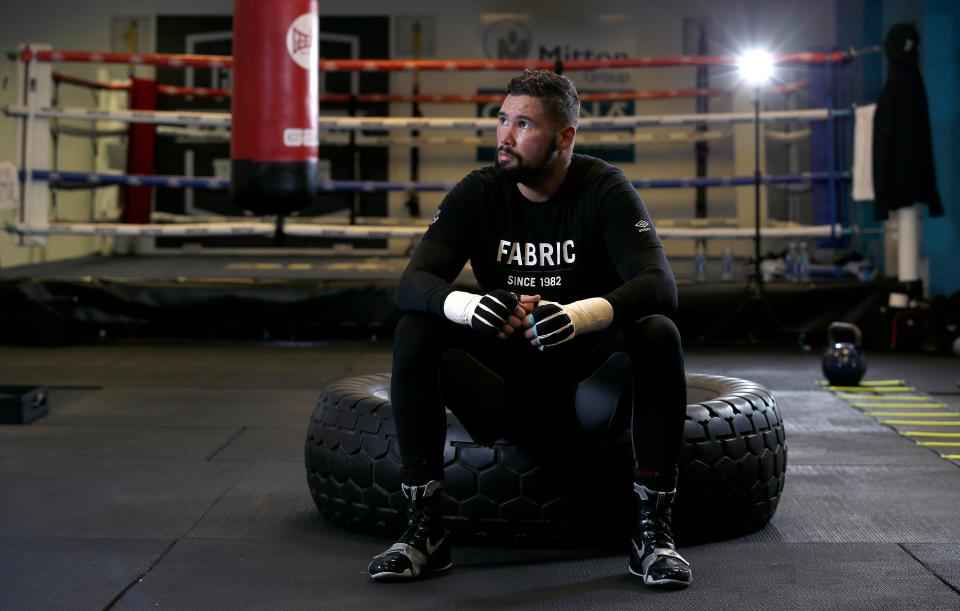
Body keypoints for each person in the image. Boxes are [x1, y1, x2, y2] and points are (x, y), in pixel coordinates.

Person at [368, 69, 691, 588]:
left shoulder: (603, 188)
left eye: (523, 124)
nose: (505, 136)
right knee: (415, 329)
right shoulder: (479, 191)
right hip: (501, 394)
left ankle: (653, 533)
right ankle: (424, 530)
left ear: (565, 137)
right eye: (502, 120)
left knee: (658, 333)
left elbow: (661, 286)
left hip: (588, 396)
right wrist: (469, 306)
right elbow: (412, 282)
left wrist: (578, 315)